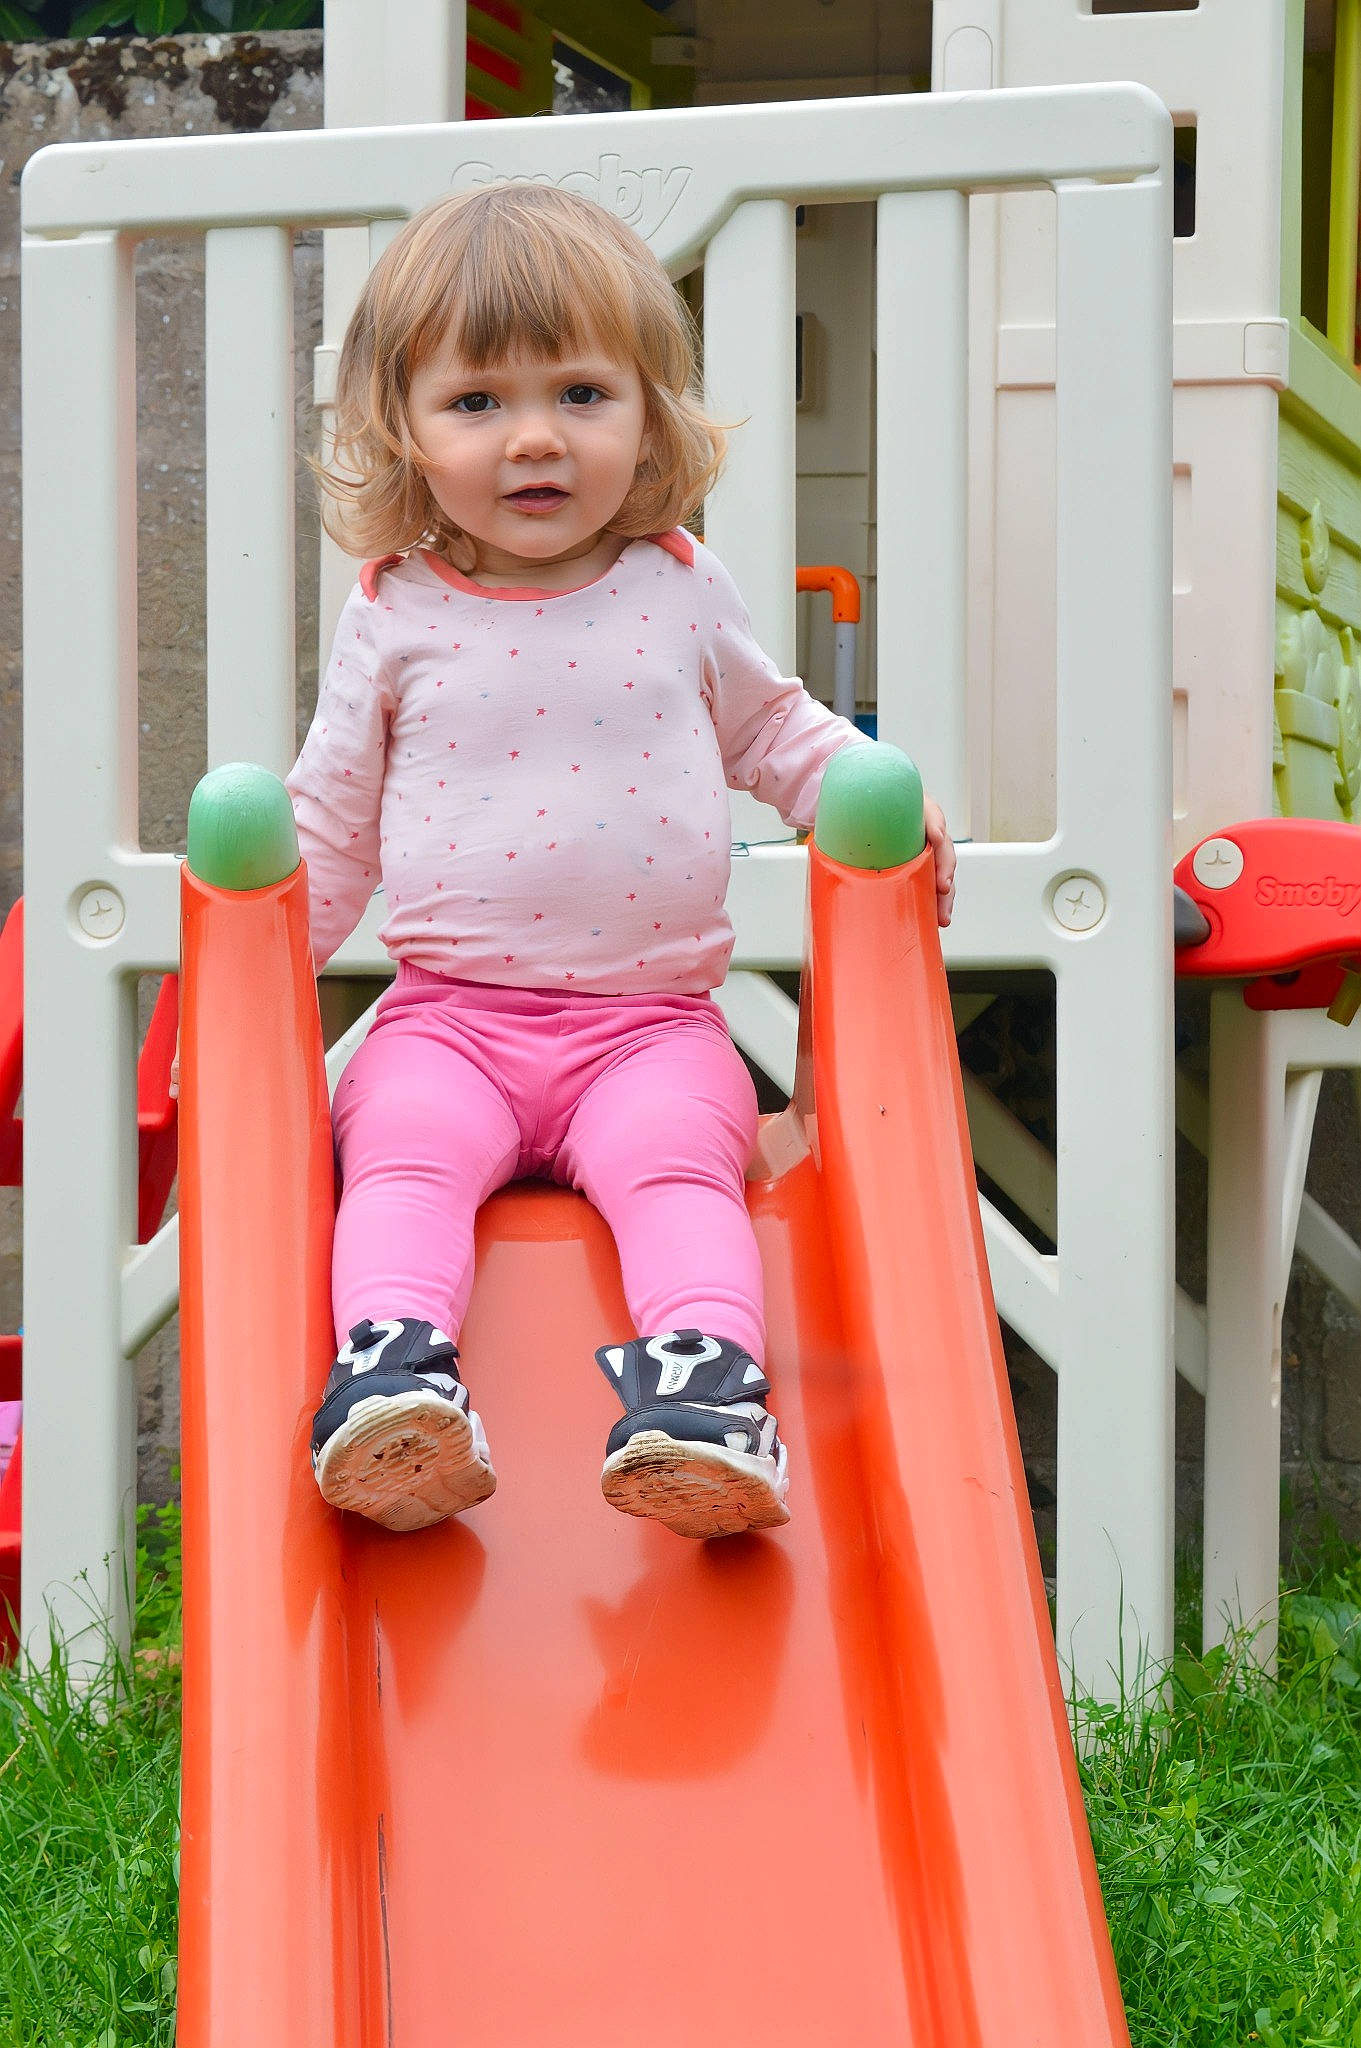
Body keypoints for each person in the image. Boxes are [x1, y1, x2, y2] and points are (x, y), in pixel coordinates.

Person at [288, 183, 956, 1542]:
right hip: (449, 1018)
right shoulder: (396, 617)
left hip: (648, 1028)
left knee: (677, 1169)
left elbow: (771, 725)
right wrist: (243, 998)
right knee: (400, 1155)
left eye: (582, 393)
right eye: (477, 402)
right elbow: (330, 826)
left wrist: (861, 800)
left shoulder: (673, 585)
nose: (534, 437)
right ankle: (395, 1385)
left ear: (648, 412)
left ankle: (703, 1403)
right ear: (402, 432)